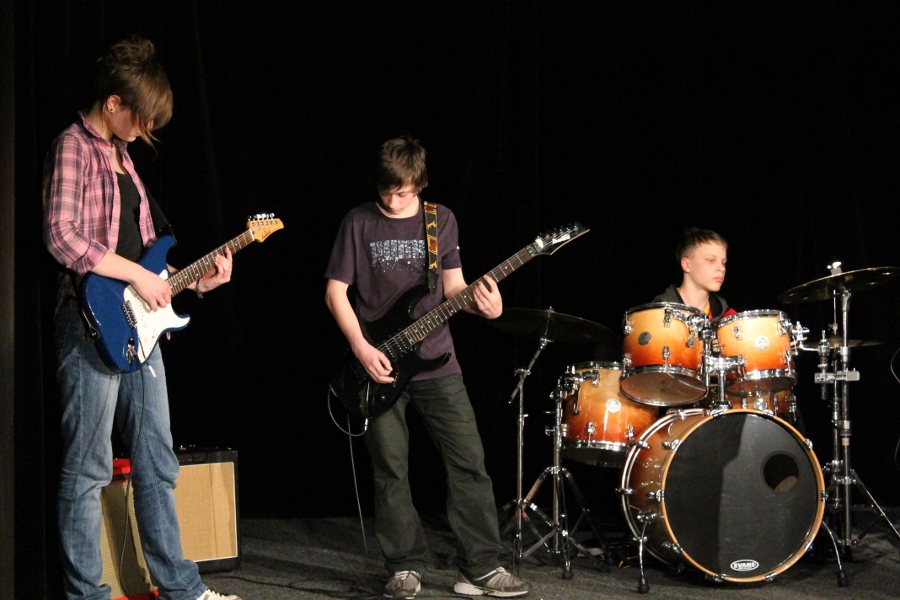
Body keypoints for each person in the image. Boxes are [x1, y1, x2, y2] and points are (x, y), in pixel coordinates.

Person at [42, 36, 240, 600]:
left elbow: (148, 257)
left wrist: (191, 280)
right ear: (113, 103)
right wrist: (136, 274)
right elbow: (60, 236)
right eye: (141, 117)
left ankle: (182, 589)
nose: (146, 129)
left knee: (157, 460)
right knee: (88, 470)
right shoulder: (72, 147)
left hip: (139, 330)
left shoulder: (126, 159)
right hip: (89, 326)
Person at [324, 136, 531, 599]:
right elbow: (336, 292)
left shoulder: (441, 220)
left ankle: (481, 566)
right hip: (377, 363)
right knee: (390, 469)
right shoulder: (358, 221)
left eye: (402, 192)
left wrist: (487, 308)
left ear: (419, 183)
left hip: (438, 362)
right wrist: (361, 348)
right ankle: (403, 566)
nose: (393, 201)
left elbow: (455, 289)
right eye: (386, 191)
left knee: (469, 462)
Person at [653, 227, 736, 321]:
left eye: (723, 262)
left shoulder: (728, 317)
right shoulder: (656, 314)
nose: (722, 268)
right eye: (711, 260)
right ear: (687, 265)